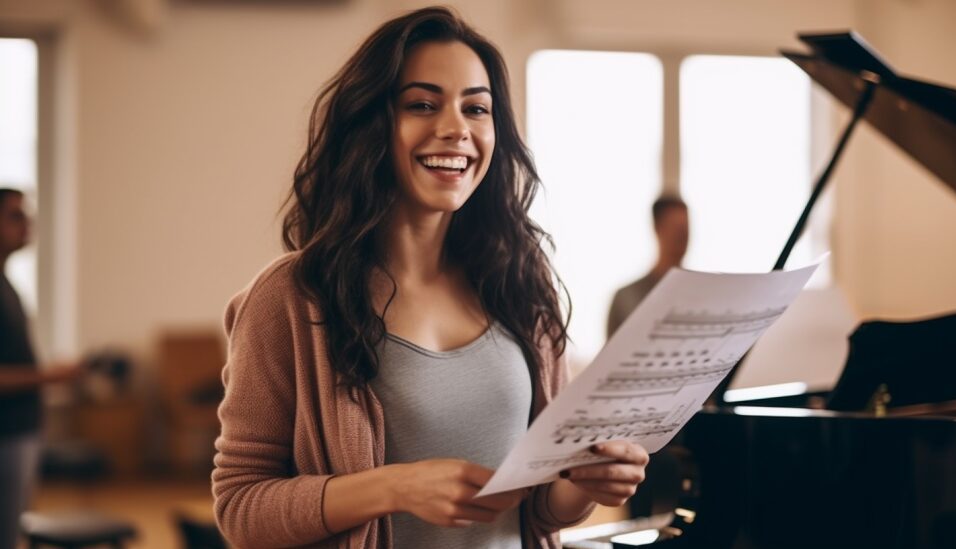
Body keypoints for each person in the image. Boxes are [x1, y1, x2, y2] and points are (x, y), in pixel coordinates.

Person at [212, 7, 649, 548]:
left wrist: (585, 484)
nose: (456, 129)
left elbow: (538, 507)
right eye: (422, 104)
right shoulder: (290, 297)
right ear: (371, 123)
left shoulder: (521, 284)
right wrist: (393, 488)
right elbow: (240, 508)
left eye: (476, 108)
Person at [0, 188, 80, 549]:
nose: (27, 223)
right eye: (15, 215)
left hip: (21, 429)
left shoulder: (8, 286)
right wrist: (51, 376)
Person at [606, 195, 689, 338]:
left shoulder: (702, 292)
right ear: (657, 228)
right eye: (676, 229)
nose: (681, 238)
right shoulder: (625, 297)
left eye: (685, 230)